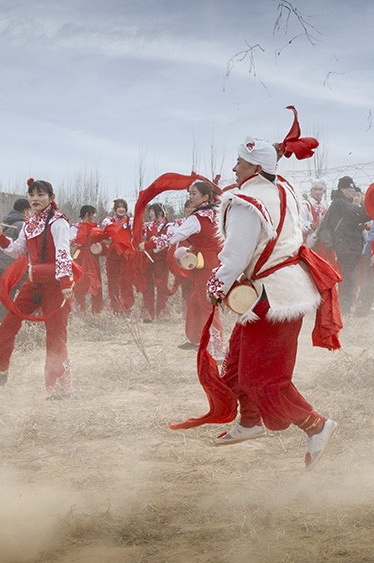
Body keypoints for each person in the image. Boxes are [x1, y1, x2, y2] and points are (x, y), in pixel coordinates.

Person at [206, 137, 338, 469]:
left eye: (240, 161)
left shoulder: (245, 201)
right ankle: (250, 421)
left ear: (254, 167)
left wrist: (217, 285)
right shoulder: (285, 190)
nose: (234, 167)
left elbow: (235, 256)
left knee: (263, 379)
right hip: (282, 290)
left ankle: (316, 425)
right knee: (237, 361)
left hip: (274, 296)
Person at [0, 179, 74, 395]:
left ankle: (60, 387)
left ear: (51, 198)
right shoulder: (29, 223)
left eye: (41, 195)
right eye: (32, 195)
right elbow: (16, 251)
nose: (35, 199)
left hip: (56, 284)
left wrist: (66, 284)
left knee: (56, 332)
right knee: (10, 320)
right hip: (33, 283)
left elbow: (63, 253)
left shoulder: (59, 222)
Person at [166, 180, 223, 352]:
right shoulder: (217, 213)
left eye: (194, 193)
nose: (190, 197)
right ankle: (195, 338)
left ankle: (218, 348)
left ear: (205, 196)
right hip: (214, 261)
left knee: (206, 303)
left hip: (204, 264)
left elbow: (173, 237)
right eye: (189, 193)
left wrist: (149, 244)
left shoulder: (197, 217)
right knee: (196, 300)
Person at [317, 176, 369, 314]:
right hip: (346, 247)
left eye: (353, 188)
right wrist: (371, 207)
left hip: (351, 246)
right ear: (342, 189)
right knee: (347, 278)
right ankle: (343, 309)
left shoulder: (344, 203)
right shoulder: (340, 203)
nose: (352, 190)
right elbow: (357, 214)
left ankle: (346, 307)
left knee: (350, 278)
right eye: (349, 188)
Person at [0, 198, 28, 322]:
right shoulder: (22, 225)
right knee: (30, 296)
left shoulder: (5, 223)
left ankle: (0, 323)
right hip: (14, 268)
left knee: (6, 298)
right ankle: (29, 323)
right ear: (25, 210)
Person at [101, 198, 137, 315]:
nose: (121, 209)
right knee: (112, 283)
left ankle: (126, 308)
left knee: (126, 282)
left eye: (123, 207)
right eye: (119, 207)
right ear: (115, 209)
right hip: (112, 256)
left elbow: (134, 235)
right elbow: (106, 237)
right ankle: (115, 308)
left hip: (126, 257)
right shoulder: (108, 221)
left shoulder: (130, 221)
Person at [138, 203, 173, 322]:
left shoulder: (169, 226)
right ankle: (148, 312)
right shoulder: (147, 226)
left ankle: (162, 311)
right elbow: (140, 239)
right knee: (147, 286)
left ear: (160, 212)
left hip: (162, 261)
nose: (150, 214)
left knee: (162, 284)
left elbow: (168, 241)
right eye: (150, 211)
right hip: (148, 260)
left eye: (153, 211)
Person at [71, 205, 105, 315]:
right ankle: (80, 310)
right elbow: (69, 241)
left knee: (95, 281)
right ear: (87, 215)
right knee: (79, 282)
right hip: (79, 257)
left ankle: (96, 311)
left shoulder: (95, 228)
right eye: (93, 214)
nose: (95, 217)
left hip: (91, 257)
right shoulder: (75, 228)